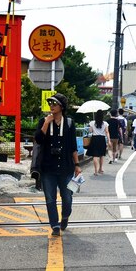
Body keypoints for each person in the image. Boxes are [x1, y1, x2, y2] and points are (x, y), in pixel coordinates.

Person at [34, 93, 80, 237]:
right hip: (48, 167)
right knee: (50, 198)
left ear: (62, 106)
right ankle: (54, 225)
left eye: (54, 104)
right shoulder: (44, 121)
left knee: (67, 197)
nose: (51, 106)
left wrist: (77, 165)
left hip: (66, 167)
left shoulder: (69, 123)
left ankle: (65, 216)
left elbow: (73, 146)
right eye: (50, 104)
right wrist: (47, 123)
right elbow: (39, 140)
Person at [86, 109, 111, 176]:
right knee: (101, 155)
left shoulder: (92, 122)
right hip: (102, 139)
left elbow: (90, 131)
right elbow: (107, 132)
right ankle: (100, 169)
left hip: (94, 139)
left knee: (95, 156)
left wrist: (90, 127)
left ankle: (95, 171)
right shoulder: (105, 123)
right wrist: (109, 140)